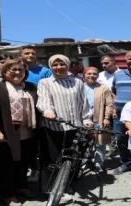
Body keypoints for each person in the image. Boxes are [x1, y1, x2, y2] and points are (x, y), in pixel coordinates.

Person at [0, 59, 39, 206]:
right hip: (7, 132)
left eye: (21, 70)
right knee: (6, 164)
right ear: (5, 72)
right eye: (12, 69)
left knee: (23, 162)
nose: (17, 72)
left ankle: (21, 186)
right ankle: (7, 193)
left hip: (28, 131)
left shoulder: (30, 87)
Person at [37, 55, 92, 192]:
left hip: (75, 126)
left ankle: (67, 185)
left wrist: (86, 119)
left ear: (68, 65)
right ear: (50, 66)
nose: (58, 67)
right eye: (55, 65)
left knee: (73, 157)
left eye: (62, 64)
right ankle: (49, 188)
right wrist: (48, 111)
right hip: (54, 126)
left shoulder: (77, 82)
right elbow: (44, 100)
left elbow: (83, 102)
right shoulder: (45, 82)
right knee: (52, 159)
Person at [83, 67, 114, 173]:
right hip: (83, 120)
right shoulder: (79, 87)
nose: (92, 75)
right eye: (89, 73)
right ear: (84, 75)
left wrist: (106, 118)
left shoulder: (104, 88)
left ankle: (98, 163)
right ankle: (84, 162)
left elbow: (109, 104)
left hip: (99, 119)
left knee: (100, 142)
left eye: (94, 74)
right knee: (83, 141)